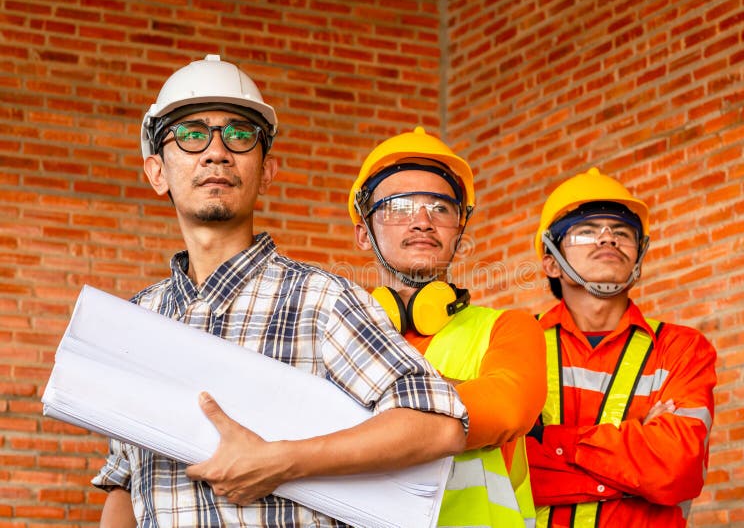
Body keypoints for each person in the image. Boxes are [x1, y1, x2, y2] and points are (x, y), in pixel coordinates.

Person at [91, 55, 469, 528]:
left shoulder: (323, 301)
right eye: (191, 135)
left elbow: (438, 423)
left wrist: (280, 461)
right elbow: (125, 488)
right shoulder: (136, 322)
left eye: (240, 134)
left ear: (266, 171)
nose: (216, 152)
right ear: (156, 172)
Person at [349, 126, 548, 527]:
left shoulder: (509, 328)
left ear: (459, 230)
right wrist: (455, 387)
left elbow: (505, 409)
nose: (422, 221)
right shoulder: (331, 331)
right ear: (363, 233)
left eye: (441, 208)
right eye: (399, 206)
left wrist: (368, 398)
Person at [525, 167, 717, 527]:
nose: (607, 239)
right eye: (586, 231)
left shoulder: (682, 348)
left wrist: (546, 441)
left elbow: (676, 469)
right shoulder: (517, 340)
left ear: (639, 258)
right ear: (551, 262)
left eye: (622, 232)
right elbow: (511, 470)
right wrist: (636, 446)